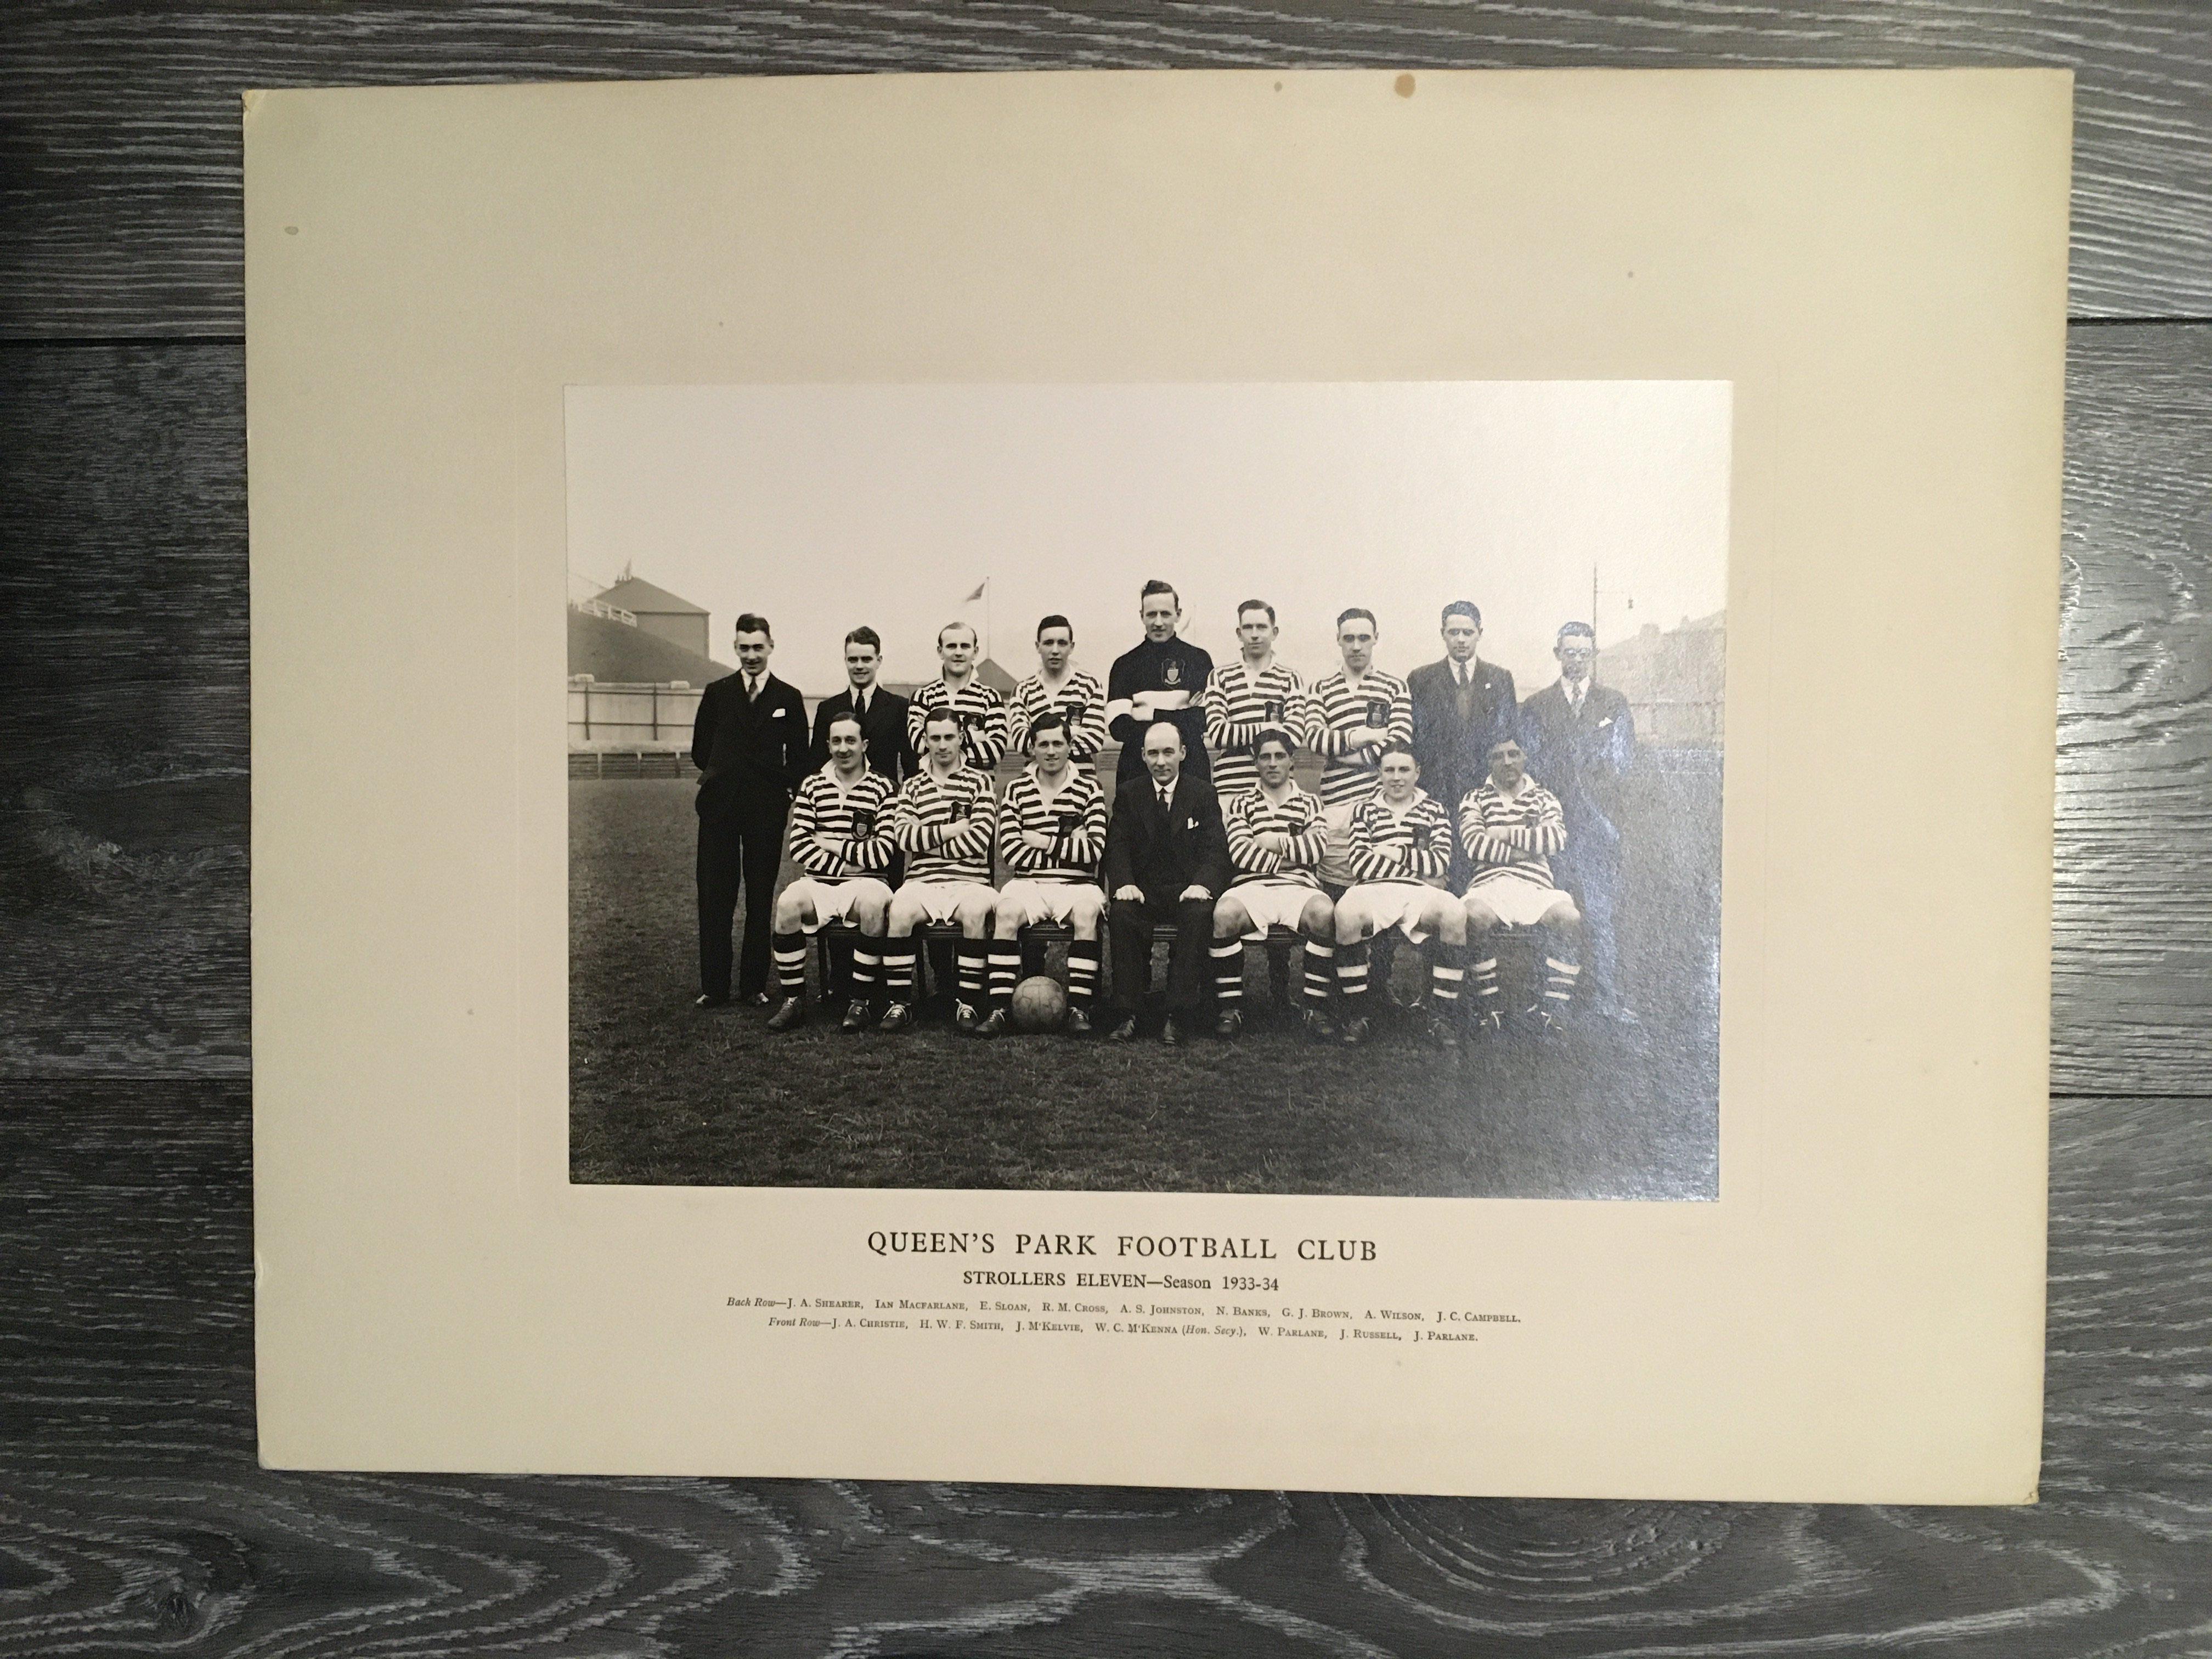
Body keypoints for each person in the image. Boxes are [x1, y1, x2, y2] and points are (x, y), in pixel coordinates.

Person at [689, 612, 810, 1008]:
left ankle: (754, 985)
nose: (751, 655)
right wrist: (726, 776)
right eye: (744, 648)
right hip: (720, 809)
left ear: (771, 646)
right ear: (735, 648)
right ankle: (715, 988)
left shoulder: (788, 698)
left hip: (766, 811)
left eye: (758, 647)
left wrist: (778, 789)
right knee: (715, 896)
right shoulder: (717, 692)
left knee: (760, 897)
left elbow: (800, 758)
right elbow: (700, 751)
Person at [1519, 621, 1636, 1022]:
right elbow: (1530, 768)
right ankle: (1552, 1000)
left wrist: (1609, 819)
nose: (1577, 660)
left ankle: (1606, 999)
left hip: (1597, 828)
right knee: (1554, 911)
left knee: (1600, 914)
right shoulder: (1535, 706)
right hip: (1551, 827)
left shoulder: (1614, 703)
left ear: (1594, 655)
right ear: (1557, 654)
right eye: (1570, 652)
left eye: (1585, 653)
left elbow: (1623, 767)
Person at [765, 713, 898, 1032]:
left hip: (868, 882)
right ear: (827, 744)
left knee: (873, 906)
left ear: (864, 745)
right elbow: (799, 846)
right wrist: (846, 864)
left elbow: (883, 854)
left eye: (851, 740)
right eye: (836, 741)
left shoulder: (884, 787)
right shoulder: (811, 785)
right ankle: (794, 1000)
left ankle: (860, 1002)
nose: (843, 748)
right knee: (786, 904)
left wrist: (831, 844)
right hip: (818, 882)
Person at [1102, 720, 1232, 1045]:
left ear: (1183, 754)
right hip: (1143, 891)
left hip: (1186, 890)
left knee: (1199, 913)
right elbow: (1116, 846)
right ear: (1143, 756)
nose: (1161, 762)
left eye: (1169, 753)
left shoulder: (1202, 793)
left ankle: (1179, 1014)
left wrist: (1202, 884)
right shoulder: (1130, 793)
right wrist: (1124, 884)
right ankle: (1128, 1013)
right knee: (1122, 912)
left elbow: (1216, 849)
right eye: (1154, 754)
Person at [983, 711, 1109, 1037]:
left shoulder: (1089, 788)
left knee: (1086, 913)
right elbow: (1010, 851)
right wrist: (1068, 843)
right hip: (1028, 882)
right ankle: (999, 1008)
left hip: (1079, 884)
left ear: (1070, 746)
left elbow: (1094, 850)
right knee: (1007, 912)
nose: (1051, 751)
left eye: (1058, 743)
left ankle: (1080, 1009)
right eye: (1043, 744)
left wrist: (1041, 840)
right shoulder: (1016, 789)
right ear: (1032, 748)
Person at [1335, 742, 1465, 1049]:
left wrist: (1391, 851)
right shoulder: (1364, 810)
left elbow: (1440, 862)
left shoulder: (1435, 810)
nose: (1397, 778)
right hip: (1372, 890)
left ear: (1417, 773)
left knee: (1456, 913)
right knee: (1345, 914)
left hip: (1420, 893)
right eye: (1389, 770)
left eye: (1404, 769)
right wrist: (1417, 867)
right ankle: (1359, 1014)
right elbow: (1360, 864)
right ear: (1379, 773)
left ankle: (1441, 1016)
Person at [1210, 729, 1337, 1043]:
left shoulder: (1310, 803)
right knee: (1224, 915)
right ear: (1255, 763)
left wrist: (1272, 841)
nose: (1272, 763)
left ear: (1291, 761)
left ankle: (1315, 1008)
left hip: (1299, 887)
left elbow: (1316, 849)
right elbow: (1240, 853)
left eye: (1280, 756)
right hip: (1251, 886)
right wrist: (1291, 855)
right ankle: (1231, 1008)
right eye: (1265, 757)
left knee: (1324, 913)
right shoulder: (1241, 803)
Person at [877, 709, 1000, 1033]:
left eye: (949, 737)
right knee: (900, 911)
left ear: (961, 738)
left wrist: (927, 835)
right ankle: (900, 1004)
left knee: (975, 913)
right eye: (935, 738)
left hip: (971, 879)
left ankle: (968, 1003)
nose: (942, 745)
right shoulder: (912, 786)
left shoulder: (981, 782)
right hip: (922, 880)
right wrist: (953, 829)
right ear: (925, 741)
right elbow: (903, 836)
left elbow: (980, 839)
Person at [1458, 736, 1581, 1037]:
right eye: (1498, 755)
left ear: (1526, 757)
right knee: (1472, 916)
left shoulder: (1544, 797)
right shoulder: (1475, 798)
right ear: (1489, 761)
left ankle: (1552, 1011)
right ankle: (1491, 1007)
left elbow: (1555, 840)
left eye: (1514, 754)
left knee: (1570, 918)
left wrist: (1502, 832)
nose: (1508, 762)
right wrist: (1527, 846)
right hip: (1489, 884)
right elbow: (1474, 844)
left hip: (1535, 885)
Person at [1303, 607, 1413, 894]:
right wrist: (1360, 737)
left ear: (1376, 639)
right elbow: (1315, 739)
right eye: (1348, 638)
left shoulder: (1394, 687)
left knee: (1380, 885)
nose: (1356, 646)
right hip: (1336, 805)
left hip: (1380, 802)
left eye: (1364, 638)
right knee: (1338, 886)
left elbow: (1398, 741)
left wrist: (1340, 751)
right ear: (1338, 640)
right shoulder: (1321, 689)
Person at [1407, 600, 1518, 881]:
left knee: (1481, 867)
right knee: (1439, 869)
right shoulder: (1421, 680)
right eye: (1453, 632)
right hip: (1437, 789)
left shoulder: (1500, 679)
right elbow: (1416, 739)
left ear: (1480, 632)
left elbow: (1505, 738)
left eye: (1468, 633)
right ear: (1442, 633)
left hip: (1483, 790)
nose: (1460, 639)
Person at [1105, 580, 1214, 787]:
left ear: (1178, 614)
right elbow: (1120, 728)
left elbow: (1203, 719)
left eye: (1165, 614)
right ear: (1141, 616)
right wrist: (1180, 713)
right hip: (1137, 770)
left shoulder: (1198, 660)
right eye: (1151, 614)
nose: (1158, 622)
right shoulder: (1124, 665)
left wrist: (1146, 714)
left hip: (1190, 767)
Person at [1202, 600, 1307, 798]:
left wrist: (1239, 733)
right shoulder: (1220, 677)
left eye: (1262, 627)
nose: (1255, 634)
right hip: (1230, 790)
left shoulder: (1290, 679)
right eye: (1248, 627)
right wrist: (1268, 728)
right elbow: (1218, 734)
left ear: (1274, 632)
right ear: (1239, 633)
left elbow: (1292, 737)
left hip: (1277, 793)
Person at [810, 625, 915, 785]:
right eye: (853, 660)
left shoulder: (899, 707)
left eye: (866, 659)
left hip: (885, 801)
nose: (859, 666)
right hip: (839, 801)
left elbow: (911, 765)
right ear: (845, 660)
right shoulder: (827, 709)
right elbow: (817, 764)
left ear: (879, 661)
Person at [905, 620, 1009, 774]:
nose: (958, 653)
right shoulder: (924, 697)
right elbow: (919, 744)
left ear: (975, 652)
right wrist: (973, 737)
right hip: (934, 792)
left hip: (979, 793)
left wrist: (940, 751)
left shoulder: (990, 697)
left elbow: (996, 752)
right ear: (940, 651)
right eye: (951, 646)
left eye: (965, 646)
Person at [1007, 615, 1109, 771]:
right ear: (1038, 646)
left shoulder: (1090, 685)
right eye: (1048, 643)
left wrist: (1042, 744)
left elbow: (1094, 740)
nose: (1055, 650)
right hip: (1035, 786)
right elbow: (1021, 743)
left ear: (1071, 647)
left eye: (1062, 643)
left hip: (1081, 782)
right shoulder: (1023, 690)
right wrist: (1072, 733)